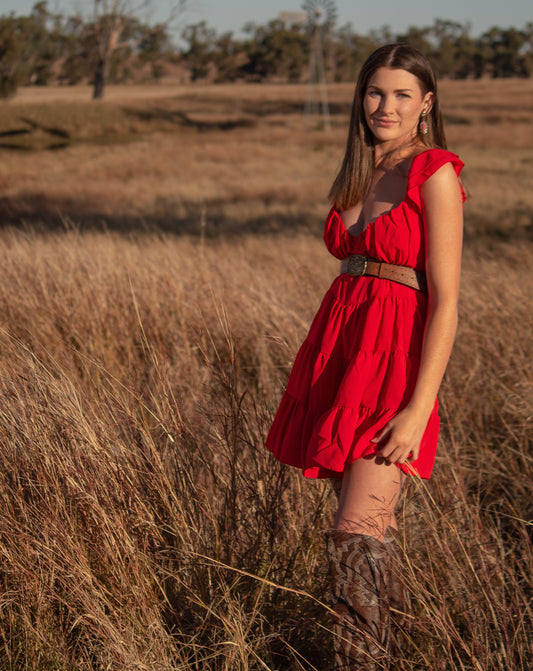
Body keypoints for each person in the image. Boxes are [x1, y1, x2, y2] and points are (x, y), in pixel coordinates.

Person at [266, 43, 465, 669]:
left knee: (358, 536)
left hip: (391, 368)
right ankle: (392, 653)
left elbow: (446, 302)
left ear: (426, 104)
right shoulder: (360, 170)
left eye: (403, 94)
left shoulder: (434, 172)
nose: (386, 106)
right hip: (340, 356)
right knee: (360, 536)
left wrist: (417, 408)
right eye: (375, 92)